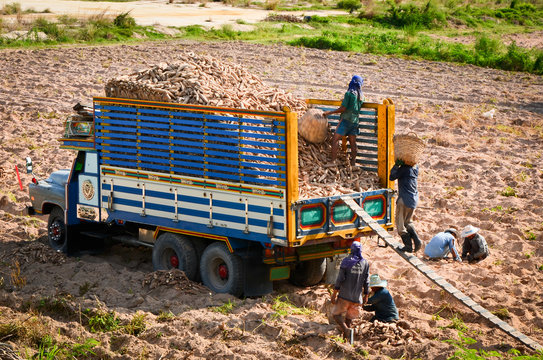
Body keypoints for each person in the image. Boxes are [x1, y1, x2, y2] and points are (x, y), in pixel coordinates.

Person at [330, 241, 370, 339]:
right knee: (349, 318)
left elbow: (340, 279)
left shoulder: (346, 261)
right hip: (357, 298)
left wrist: (334, 294)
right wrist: (366, 295)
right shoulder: (365, 263)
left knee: (336, 314)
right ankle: (347, 339)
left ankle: (346, 330)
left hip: (345, 296)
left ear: (351, 250)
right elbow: (367, 281)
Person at [323, 75, 364, 166]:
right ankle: (353, 162)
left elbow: (343, 108)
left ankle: (333, 161)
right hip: (355, 121)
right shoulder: (361, 96)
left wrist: (329, 112)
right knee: (353, 142)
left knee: (335, 139)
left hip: (346, 120)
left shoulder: (349, 93)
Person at [389, 160, 421, 253]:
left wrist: (396, 166)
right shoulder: (415, 168)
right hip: (413, 200)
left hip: (404, 200)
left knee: (400, 226)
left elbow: (391, 177)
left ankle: (408, 246)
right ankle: (417, 240)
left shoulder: (404, 169)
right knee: (408, 222)